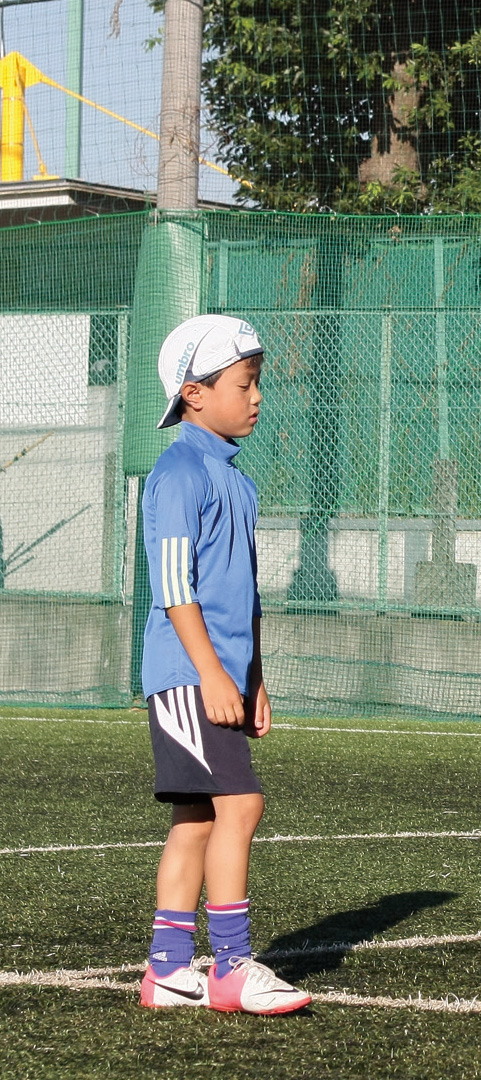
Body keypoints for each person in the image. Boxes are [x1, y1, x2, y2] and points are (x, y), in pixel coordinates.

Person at [138, 314, 311, 1015]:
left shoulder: (233, 479)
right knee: (240, 803)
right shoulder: (178, 468)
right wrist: (211, 673)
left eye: (257, 383)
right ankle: (233, 967)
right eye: (245, 384)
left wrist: (254, 678)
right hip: (185, 672)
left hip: (221, 674)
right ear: (194, 393)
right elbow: (173, 586)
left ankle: (168, 972)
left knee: (197, 818)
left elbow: (245, 588)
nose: (257, 396)